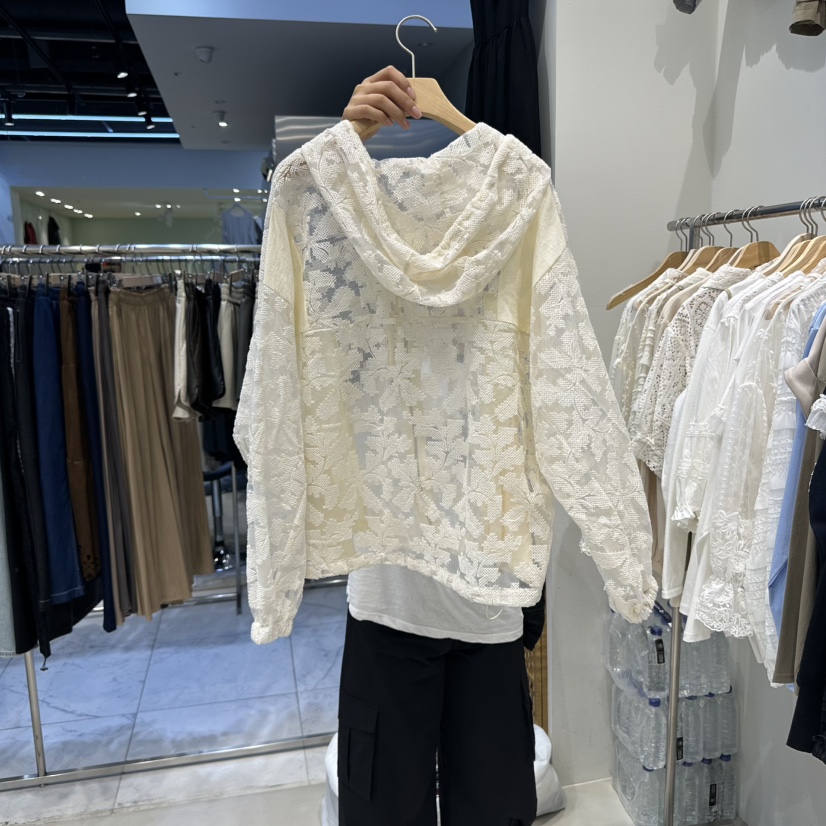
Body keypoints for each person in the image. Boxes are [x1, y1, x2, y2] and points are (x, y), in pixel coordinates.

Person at [336, 66, 539, 826]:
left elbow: (561, 379)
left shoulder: (521, 205)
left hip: (489, 593)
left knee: (494, 807)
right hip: (390, 592)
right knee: (384, 810)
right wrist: (345, 142)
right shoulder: (343, 228)